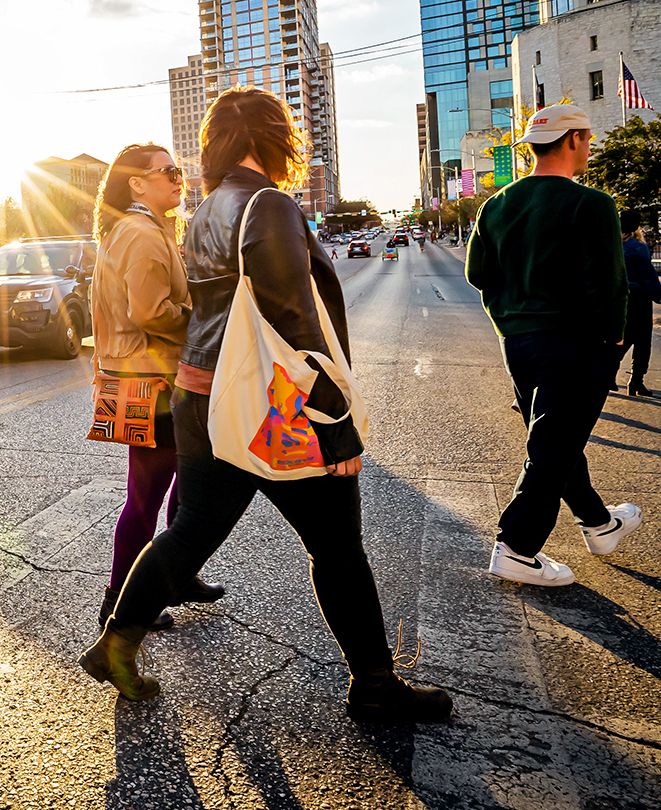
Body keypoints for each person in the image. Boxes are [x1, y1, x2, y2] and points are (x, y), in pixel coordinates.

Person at [78, 87, 451, 724]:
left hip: (203, 396)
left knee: (190, 530)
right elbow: (293, 321)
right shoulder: (266, 203)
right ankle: (375, 687)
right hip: (273, 406)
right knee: (336, 547)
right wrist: (335, 426)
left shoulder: (203, 211)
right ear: (272, 137)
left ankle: (116, 642)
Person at [466, 103, 642, 588]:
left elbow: (477, 274)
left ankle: (599, 525)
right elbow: (609, 286)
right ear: (572, 140)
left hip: (518, 342)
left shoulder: (496, 204)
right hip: (576, 343)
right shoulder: (592, 204)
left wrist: (508, 318)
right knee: (553, 444)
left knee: (555, 440)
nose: (589, 146)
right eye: (586, 138)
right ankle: (518, 547)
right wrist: (613, 340)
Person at [89, 142, 225, 632]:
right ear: (137, 183)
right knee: (146, 495)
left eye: (179, 170)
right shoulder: (143, 234)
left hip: (137, 377)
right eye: (167, 170)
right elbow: (149, 312)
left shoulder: (136, 230)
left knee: (182, 482)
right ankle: (119, 607)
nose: (178, 177)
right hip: (151, 382)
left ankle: (177, 576)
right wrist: (203, 322)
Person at [614, 210, 661, 397]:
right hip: (638, 298)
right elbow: (649, 277)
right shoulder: (637, 247)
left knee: (623, 336)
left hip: (618, 297)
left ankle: (608, 374)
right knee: (641, 340)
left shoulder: (612, 245)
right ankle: (636, 382)